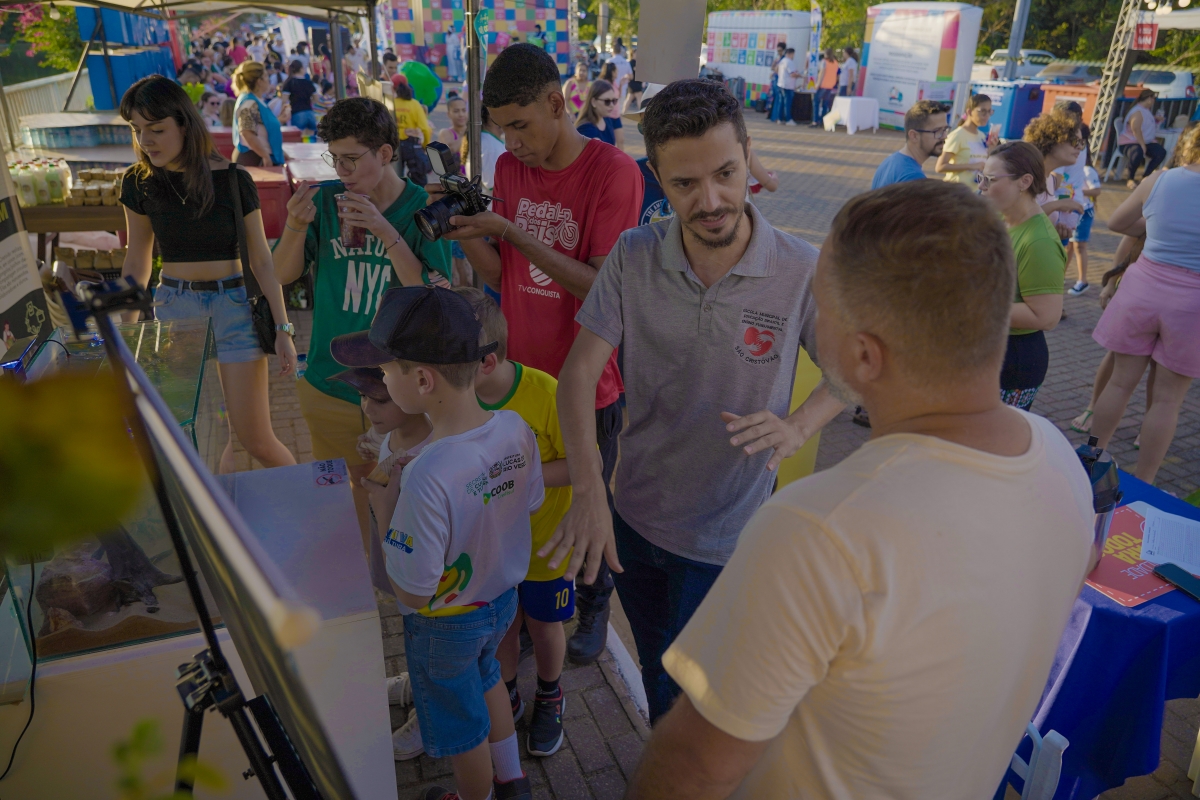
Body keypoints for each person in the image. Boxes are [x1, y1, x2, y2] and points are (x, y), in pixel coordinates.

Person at [623, 179, 1095, 800]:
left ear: (864, 356)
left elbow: (695, 763)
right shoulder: (1059, 459)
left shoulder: (819, 528)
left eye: (823, 307)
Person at [552, 79, 846, 721]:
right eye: (684, 183)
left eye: (726, 174)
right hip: (633, 519)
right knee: (659, 672)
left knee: (701, 699)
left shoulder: (801, 268)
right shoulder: (633, 255)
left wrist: (799, 427)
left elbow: (853, 373)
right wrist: (589, 490)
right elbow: (578, 377)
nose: (710, 201)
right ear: (657, 178)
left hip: (727, 539)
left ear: (748, 157)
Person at [436, 44, 642, 664]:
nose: (511, 142)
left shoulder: (613, 172)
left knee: (587, 499)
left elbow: (603, 288)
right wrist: (467, 231)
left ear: (557, 103)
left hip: (587, 383)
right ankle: (532, 613)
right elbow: (500, 274)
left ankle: (595, 600)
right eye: (501, 128)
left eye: (520, 125)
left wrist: (511, 232)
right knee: (521, 499)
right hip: (518, 379)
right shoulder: (508, 169)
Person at [338, 286, 540, 800]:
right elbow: (529, 500)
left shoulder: (427, 474)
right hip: (500, 604)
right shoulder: (515, 427)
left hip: (446, 623)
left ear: (423, 380)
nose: (381, 381)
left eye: (386, 372)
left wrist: (385, 507)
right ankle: (511, 780)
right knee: (488, 678)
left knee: (458, 727)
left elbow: (412, 590)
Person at [272, 98, 451, 546]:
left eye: (351, 158)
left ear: (385, 153)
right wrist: (294, 225)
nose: (342, 170)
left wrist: (384, 230)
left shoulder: (421, 209)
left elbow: (432, 295)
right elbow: (281, 274)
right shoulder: (328, 201)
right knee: (350, 487)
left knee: (406, 483)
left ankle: (406, 566)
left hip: (401, 388)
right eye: (335, 158)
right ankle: (367, 569)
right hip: (330, 380)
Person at [118, 76, 298, 475]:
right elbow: (137, 263)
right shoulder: (137, 182)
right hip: (175, 309)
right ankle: (216, 509)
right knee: (186, 433)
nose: (146, 140)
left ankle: (308, 505)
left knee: (254, 439)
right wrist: (125, 335)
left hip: (235, 308)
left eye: (156, 129)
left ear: (184, 124)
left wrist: (283, 328)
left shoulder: (233, 179)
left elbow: (262, 261)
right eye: (137, 130)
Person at [458, 287, 575, 760]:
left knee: (545, 626)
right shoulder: (456, 399)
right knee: (503, 628)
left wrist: (515, 475)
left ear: (486, 362)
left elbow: (582, 463)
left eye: (448, 362)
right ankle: (505, 692)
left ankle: (550, 692)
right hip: (493, 548)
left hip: (547, 544)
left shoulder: (547, 393)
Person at [1089, 124, 1200, 484]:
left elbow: (1118, 221)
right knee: (1167, 401)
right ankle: (1144, 482)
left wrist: (1159, 225)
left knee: (1119, 384)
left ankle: (1091, 460)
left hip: (1143, 287)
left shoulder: (1160, 179)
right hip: (1192, 304)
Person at [978, 141, 1066, 411]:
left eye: (990, 180)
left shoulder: (1039, 241)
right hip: (990, 348)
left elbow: (1046, 316)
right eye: (981, 177)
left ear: (1024, 182)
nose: (981, 186)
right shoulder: (1003, 220)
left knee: (989, 436)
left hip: (1013, 359)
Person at [1024, 110, 1085, 244]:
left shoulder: (1050, 180)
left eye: (1082, 142)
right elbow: (1021, 220)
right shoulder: (1026, 177)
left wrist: (1054, 232)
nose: (1080, 147)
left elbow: (1036, 225)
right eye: (1075, 141)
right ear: (1053, 140)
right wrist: (1058, 204)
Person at [870, 100, 947, 189]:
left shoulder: (891, 161)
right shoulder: (914, 178)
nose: (945, 136)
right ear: (914, 136)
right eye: (937, 131)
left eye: (945, 129)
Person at [233, 61, 287, 166]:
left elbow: (262, 129)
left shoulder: (256, 100)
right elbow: (246, 132)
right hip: (253, 158)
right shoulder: (249, 102)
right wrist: (265, 156)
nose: (269, 80)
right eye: (266, 76)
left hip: (256, 157)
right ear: (259, 81)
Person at [936, 93, 995, 185]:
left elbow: (985, 163)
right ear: (969, 112)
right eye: (983, 111)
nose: (986, 115)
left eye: (989, 111)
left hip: (975, 190)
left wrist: (992, 148)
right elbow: (940, 167)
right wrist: (970, 166)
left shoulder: (981, 136)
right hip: (957, 189)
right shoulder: (957, 135)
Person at [1120, 89, 1167, 189]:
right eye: (1154, 98)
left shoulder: (1146, 110)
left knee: (1160, 152)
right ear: (1149, 98)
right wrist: (1142, 145)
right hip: (1130, 141)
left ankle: (1146, 176)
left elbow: (1145, 121)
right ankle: (1130, 178)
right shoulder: (1137, 111)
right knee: (1137, 152)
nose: (1154, 101)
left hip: (1147, 141)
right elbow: (1136, 129)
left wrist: (1156, 119)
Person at [575, 79, 618, 146]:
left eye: (614, 100)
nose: (612, 105)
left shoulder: (607, 119)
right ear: (593, 102)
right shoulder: (586, 128)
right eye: (607, 101)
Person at [281, 60, 318, 133]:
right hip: (310, 113)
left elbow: (284, 101)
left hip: (297, 114)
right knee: (312, 137)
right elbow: (316, 99)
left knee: (298, 137)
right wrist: (308, 101)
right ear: (301, 69)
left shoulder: (289, 82)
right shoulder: (309, 82)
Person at [812, 48, 839, 127]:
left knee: (816, 102)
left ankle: (815, 121)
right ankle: (823, 121)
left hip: (823, 84)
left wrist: (817, 84)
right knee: (825, 104)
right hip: (830, 85)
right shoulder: (835, 62)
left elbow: (822, 73)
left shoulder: (824, 62)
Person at [773, 48, 800, 126]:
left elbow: (776, 70)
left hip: (781, 83)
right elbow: (792, 74)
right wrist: (800, 75)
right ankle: (788, 119)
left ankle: (779, 119)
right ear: (791, 54)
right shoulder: (789, 62)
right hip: (788, 86)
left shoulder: (782, 61)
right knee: (787, 103)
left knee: (781, 102)